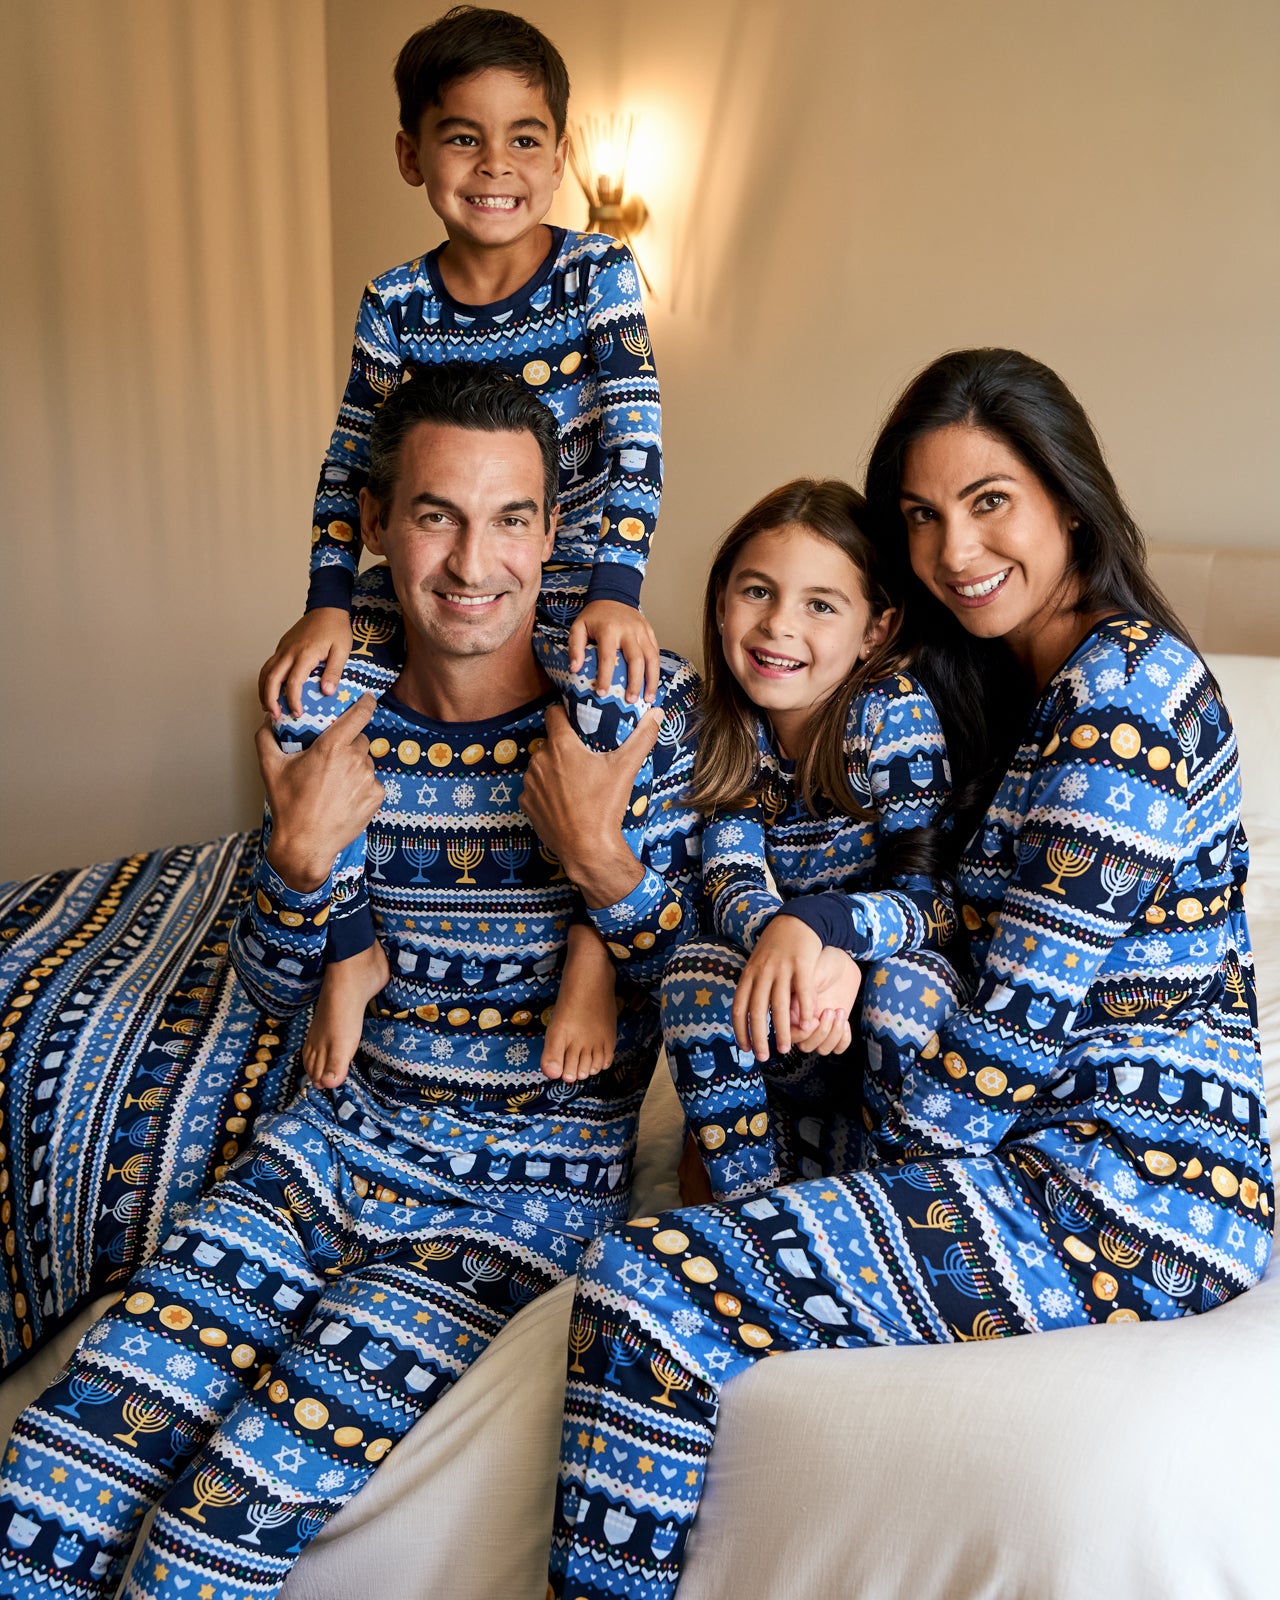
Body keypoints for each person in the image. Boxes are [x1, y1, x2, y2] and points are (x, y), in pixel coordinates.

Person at [545, 349, 1272, 1600]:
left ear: (1066, 499)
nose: (953, 549)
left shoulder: (1126, 691)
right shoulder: (1022, 694)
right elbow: (937, 911)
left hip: (1130, 1190)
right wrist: (822, 937)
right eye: (923, 517)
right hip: (1031, 1142)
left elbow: (1008, 1033)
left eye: (989, 501)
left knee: (645, 1287)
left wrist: (867, 1121)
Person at [0, 366, 699, 1600]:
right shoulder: (322, 706)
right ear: (376, 525)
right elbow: (278, 985)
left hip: (510, 1207)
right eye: (436, 514)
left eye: (509, 520)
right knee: (47, 1483)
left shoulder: (638, 705)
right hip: (322, 1156)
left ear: (553, 533)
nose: (472, 561)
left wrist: (598, 858)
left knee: (205, 1539)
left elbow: (690, 987)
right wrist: (294, 859)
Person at [262, 5, 665, 1097]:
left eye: (524, 138)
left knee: (614, 710)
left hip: (568, 578)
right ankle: (350, 947)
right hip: (424, 584)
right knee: (308, 699)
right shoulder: (394, 302)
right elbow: (353, 466)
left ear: (559, 154)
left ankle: (587, 953)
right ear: (410, 154)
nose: (495, 166)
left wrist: (618, 587)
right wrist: (328, 601)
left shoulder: (597, 275)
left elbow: (635, 434)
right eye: (460, 137)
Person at [661, 479, 960, 1201]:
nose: (778, 626)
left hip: (869, 997)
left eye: (820, 605)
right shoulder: (725, 727)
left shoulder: (889, 713)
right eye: (756, 592)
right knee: (692, 971)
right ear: (722, 599)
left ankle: (894, 1200)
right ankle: (751, 1206)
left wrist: (827, 935)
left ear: (876, 629)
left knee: (906, 989)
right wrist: (789, 954)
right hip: (792, 1013)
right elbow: (730, 880)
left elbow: (932, 902)